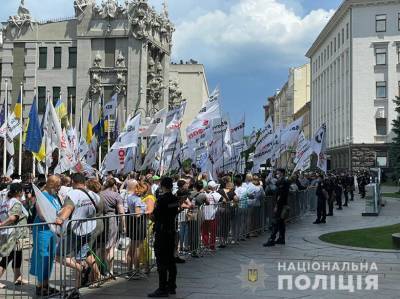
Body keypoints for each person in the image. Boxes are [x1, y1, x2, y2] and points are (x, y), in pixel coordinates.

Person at [55, 173, 102, 290]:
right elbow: (100, 208)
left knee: (58, 256)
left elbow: (68, 208)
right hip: (90, 228)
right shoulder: (93, 194)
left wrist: (61, 219)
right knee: (82, 257)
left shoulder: (73, 194)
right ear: (84, 182)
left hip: (76, 229)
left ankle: (82, 269)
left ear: (73, 182)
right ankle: (79, 285)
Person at [30, 176, 62, 296]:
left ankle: (46, 284)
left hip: (52, 230)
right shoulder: (41, 196)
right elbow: (41, 214)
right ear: (51, 184)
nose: (59, 188)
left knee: (50, 257)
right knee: (43, 256)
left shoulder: (54, 195)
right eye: (58, 185)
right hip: (43, 230)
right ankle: (40, 286)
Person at [148, 177, 180, 298]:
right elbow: (174, 212)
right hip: (171, 231)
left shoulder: (161, 200)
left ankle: (162, 288)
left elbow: (154, 216)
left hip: (162, 232)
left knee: (161, 260)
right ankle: (172, 286)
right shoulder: (174, 199)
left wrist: (152, 214)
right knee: (171, 260)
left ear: (162, 186)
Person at [0, 183, 29, 289]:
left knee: (18, 254)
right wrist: (2, 225)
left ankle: (17, 277)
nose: (23, 193)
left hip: (13, 233)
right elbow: (13, 217)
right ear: (18, 192)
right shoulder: (15, 202)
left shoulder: (6, 201)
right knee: (8, 257)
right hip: (13, 233)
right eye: (22, 191)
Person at [100, 178, 126, 274]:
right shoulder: (116, 195)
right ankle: (109, 270)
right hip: (111, 219)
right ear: (114, 185)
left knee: (102, 246)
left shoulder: (100, 193)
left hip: (100, 219)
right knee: (110, 246)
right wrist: (123, 225)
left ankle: (102, 268)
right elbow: (121, 211)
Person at [263, 168, 289, 247]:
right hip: (282, 203)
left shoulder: (283, 181)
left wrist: (277, 205)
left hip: (281, 205)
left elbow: (280, 196)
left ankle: (272, 239)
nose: (277, 174)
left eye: (278, 173)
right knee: (281, 222)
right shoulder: (281, 181)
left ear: (282, 173)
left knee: (276, 222)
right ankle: (281, 238)